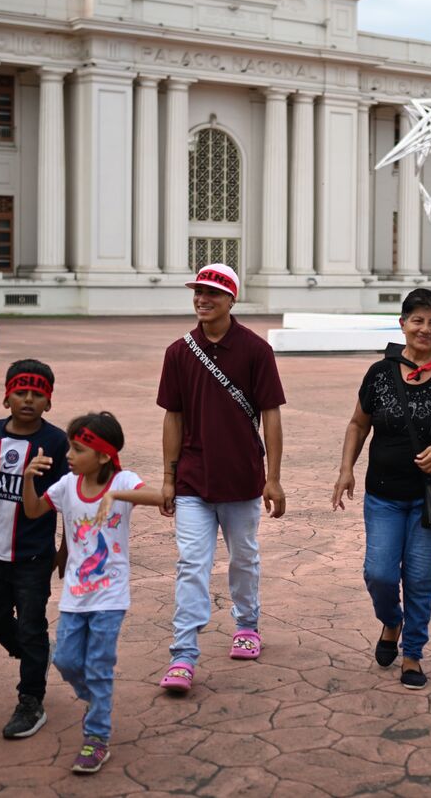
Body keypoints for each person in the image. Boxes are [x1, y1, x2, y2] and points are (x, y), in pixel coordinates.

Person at [332, 288, 431, 690]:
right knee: (379, 573)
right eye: (417, 320)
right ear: (402, 324)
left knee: (420, 578)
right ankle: (391, 620)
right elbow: (358, 424)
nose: (425, 329)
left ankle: (413, 651)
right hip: (382, 494)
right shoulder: (381, 373)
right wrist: (346, 468)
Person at [156, 264, 286, 693]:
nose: (202, 300)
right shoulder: (179, 352)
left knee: (244, 558)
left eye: (212, 293)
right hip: (194, 479)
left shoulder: (255, 350)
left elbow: (271, 415)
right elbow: (173, 418)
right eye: (198, 292)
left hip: (242, 478)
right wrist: (169, 478)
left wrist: (274, 478)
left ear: (232, 299)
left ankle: (246, 625)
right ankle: (183, 654)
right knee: (191, 564)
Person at [21, 411, 160, 774]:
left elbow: (162, 497)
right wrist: (27, 479)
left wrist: (119, 494)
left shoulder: (124, 479)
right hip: (75, 594)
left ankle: (96, 737)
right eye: (70, 445)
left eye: (78, 448)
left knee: (98, 665)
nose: (69, 454)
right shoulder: (68, 485)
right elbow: (34, 510)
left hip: (110, 595)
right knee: (65, 661)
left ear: (102, 455)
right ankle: (97, 699)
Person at [0, 359, 70, 739]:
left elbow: (67, 497)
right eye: (21, 392)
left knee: (33, 625)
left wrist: (67, 548)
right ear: (6, 397)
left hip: (35, 556)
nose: (28, 400)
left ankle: (30, 700)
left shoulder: (55, 442)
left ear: (49, 403)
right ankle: (33, 654)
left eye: (38, 395)